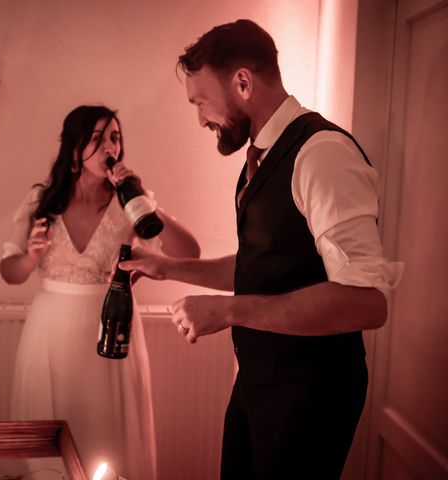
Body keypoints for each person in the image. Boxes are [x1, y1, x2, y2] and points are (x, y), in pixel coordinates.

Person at [119, 20, 403, 480]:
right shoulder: (260, 157)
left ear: (244, 82)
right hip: (257, 384)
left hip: (309, 396)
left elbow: (366, 302)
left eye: (201, 101)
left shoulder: (322, 155)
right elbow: (263, 266)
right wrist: (169, 267)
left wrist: (227, 313)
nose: (201, 119)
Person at [0, 104, 200, 480]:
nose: (110, 147)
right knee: (50, 440)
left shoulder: (131, 204)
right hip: (49, 333)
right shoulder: (42, 200)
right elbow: (9, 271)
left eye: (115, 137)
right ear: (74, 149)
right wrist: (31, 257)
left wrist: (141, 197)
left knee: (107, 435)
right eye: (98, 138)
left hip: (111, 329)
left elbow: (189, 253)